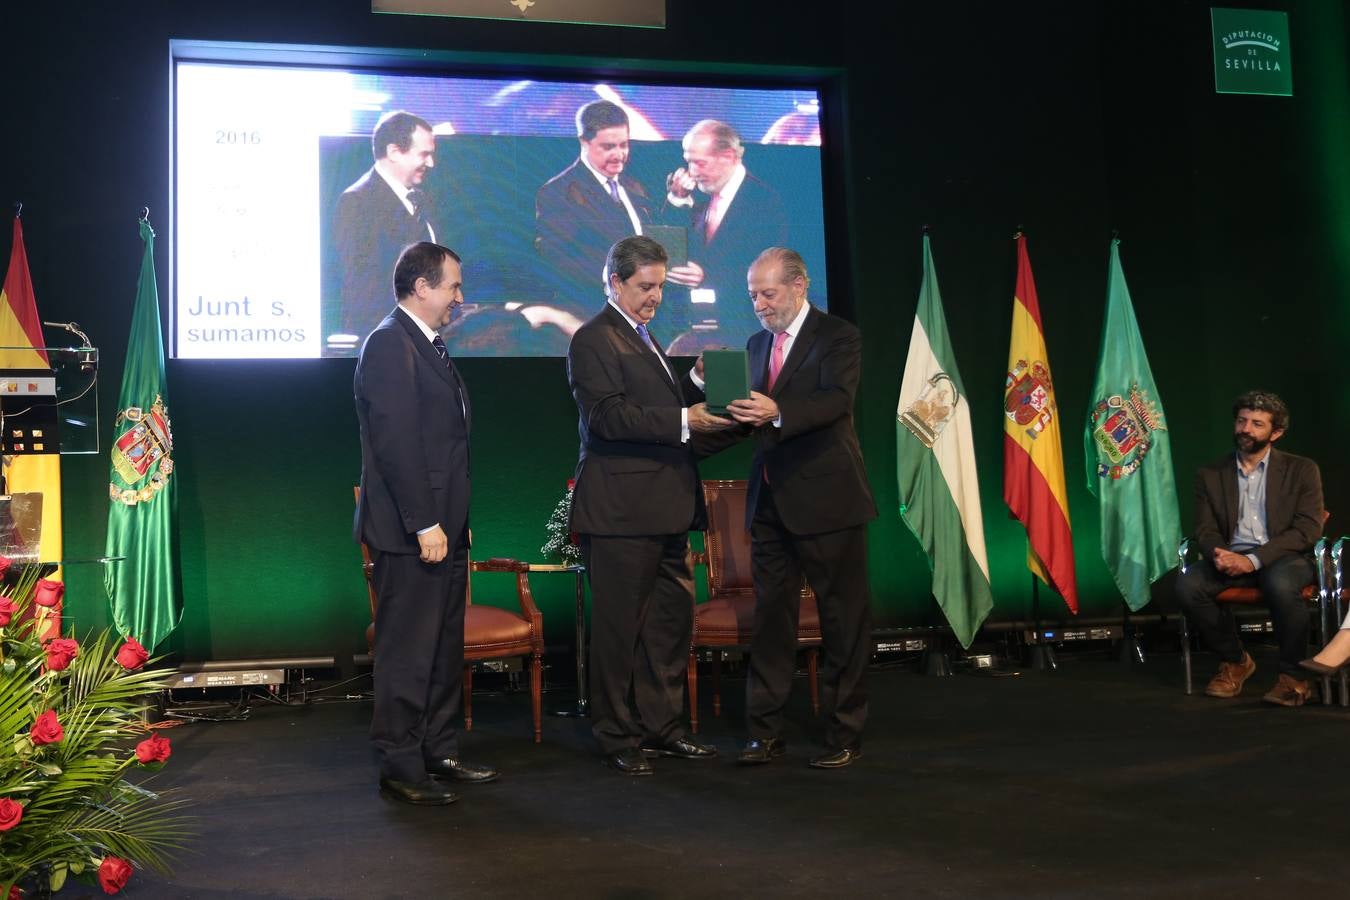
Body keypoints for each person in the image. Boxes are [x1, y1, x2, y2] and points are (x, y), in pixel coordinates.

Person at [691, 247, 876, 769]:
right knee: (772, 620)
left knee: (844, 618)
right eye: (752, 294)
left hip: (828, 501)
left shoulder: (838, 337)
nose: (758, 304)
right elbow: (739, 420)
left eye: (767, 293)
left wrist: (779, 411)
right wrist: (690, 425)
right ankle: (764, 733)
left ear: (799, 286)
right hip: (769, 504)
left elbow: (836, 401)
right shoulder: (754, 345)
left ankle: (845, 734)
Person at [566, 235, 733, 775]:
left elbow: (657, 410)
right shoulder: (593, 339)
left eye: (660, 286)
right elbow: (609, 418)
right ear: (615, 282)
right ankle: (617, 735)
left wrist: (696, 382)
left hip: (666, 510)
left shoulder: (643, 337)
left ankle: (663, 728)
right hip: (619, 515)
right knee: (619, 630)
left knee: (668, 627)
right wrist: (687, 417)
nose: (655, 297)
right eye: (645, 286)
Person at [353, 241, 496, 805]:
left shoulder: (427, 346)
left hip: (442, 529)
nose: (460, 298)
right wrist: (423, 523)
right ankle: (400, 765)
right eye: (453, 287)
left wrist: (454, 524)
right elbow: (396, 447)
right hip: (411, 532)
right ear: (422, 287)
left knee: (441, 649)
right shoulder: (390, 344)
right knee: (408, 652)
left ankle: (439, 750)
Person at [1176, 391, 1325, 706]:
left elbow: (1307, 529)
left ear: (1276, 433)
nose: (1246, 429)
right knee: (1188, 584)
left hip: (1284, 559)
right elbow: (1205, 529)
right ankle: (1235, 660)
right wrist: (1221, 555)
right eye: (1242, 421)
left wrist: (1255, 560)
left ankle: (1292, 677)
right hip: (1231, 559)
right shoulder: (1211, 474)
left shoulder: (1302, 470)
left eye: (1257, 424)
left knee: (1280, 583)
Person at [663, 120, 789, 348]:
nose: (692, 172)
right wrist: (678, 199)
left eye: (700, 163)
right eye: (688, 162)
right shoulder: (700, 196)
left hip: (746, 336)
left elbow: (771, 272)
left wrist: (707, 276)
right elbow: (669, 244)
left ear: (729, 156)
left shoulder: (765, 201)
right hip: (696, 328)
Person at [535, 100, 653, 331]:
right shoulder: (558, 192)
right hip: (591, 317)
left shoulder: (634, 187)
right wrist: (620, 279)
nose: (619, 155)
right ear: (584, 142)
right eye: (608, 147)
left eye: (624, 145)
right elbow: (556, 261)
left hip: (641, 316)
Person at [334, 111, 440, 342]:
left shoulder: (423, 200)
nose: (431, 163)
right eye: (424, 154)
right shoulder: (357, 202)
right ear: (394, 152)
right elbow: (364, 291)